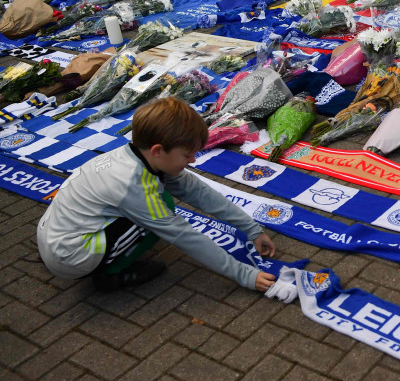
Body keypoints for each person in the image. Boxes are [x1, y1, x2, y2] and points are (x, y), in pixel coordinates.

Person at [37, 97, 277, 292]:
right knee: (163, 209)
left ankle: (112, 255)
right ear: (158, 150)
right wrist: (245, 275)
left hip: (56, 238)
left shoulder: (139, 156)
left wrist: (252, 228)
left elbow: (199, 192)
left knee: (162, 202)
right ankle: (110, 276)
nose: (193, 160)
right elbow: (183, 236)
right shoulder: (133, 183)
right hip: (71, 257)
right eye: (187, 154)